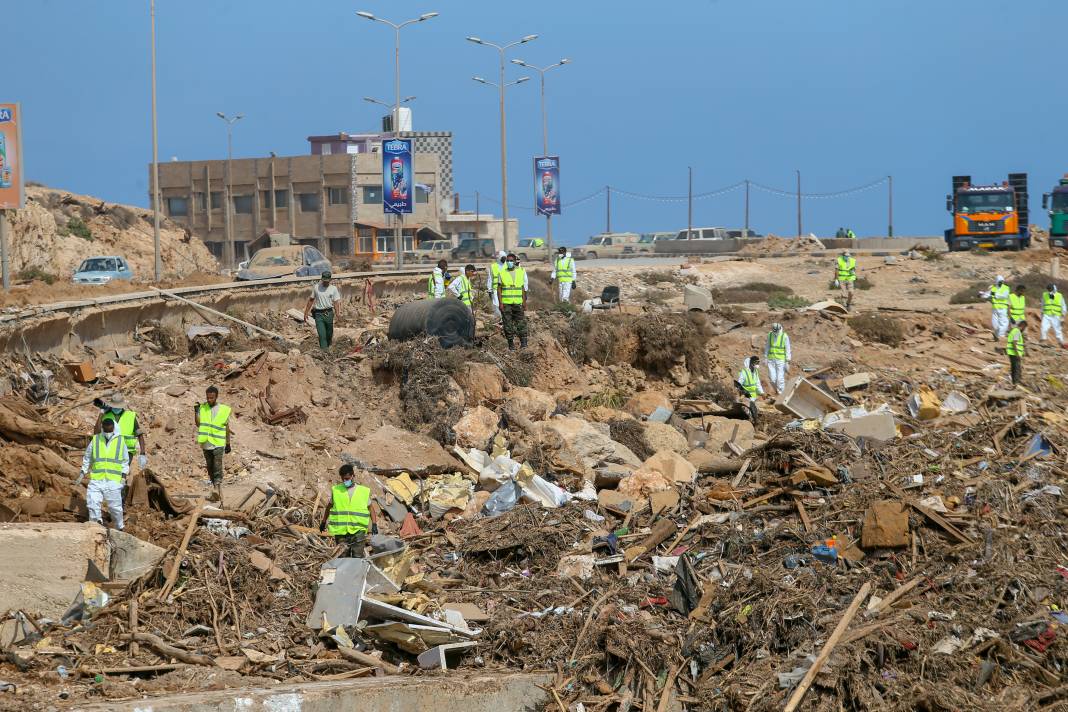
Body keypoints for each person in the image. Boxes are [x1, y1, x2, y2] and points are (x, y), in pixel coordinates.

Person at [76, 416, 130, 530]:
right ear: (102, 428)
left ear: (113, 428)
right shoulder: (96, 440)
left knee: (115, 507)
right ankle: (96, 525)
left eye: (110, 430)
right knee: (92, 502)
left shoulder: (120, 441)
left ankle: (119, 527)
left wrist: (123, 476)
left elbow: (125, 460)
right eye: (105, 430)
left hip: (113, 480)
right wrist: (83, 471)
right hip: (97, 478)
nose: (107, 432)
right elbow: (87, 457)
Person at [319, 464, 379, 558]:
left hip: (358, 530)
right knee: (342, 557)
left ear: (352, 476)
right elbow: (329, 506)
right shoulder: (337, 490)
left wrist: (374, 524)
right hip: (341, 531)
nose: (345, 481)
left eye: (347, 478)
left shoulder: (362, 491)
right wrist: (323, 521)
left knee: (357, 556)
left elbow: (370, 508)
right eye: (343, 479)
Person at [195, 386, 231, 505]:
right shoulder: (202, 408)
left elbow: (227, 428)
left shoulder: (223, 410)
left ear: (216, 397)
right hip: (206, 443)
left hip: (218, 443)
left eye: (212, 397)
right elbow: (198, 424)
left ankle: (216, 489)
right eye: (208, 397)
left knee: (217, 467)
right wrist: (196, 412)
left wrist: (228, 443)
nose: (209, 399)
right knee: (210, 468)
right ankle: (217, 492)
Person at [95, 392, 146, 471]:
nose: (116, 408)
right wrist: (101, 414)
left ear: (122, 406)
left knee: (121, 473)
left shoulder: (130, 416)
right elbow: (96, 433)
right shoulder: (106, 415)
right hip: (110, 451)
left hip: (127, 452)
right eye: (114, 406)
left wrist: (142, 453)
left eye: (118, 407)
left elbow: (140, 435)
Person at [497, 252, 529, 350]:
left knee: (521, 323)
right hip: (506, 304)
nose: (509, 262)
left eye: (511, 261)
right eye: (508, 261)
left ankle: (523, 343)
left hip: (518, 303)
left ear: (515, 261)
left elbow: (522, 288)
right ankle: (511, 344)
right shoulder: (502, 273)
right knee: (507, 324)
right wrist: (500, 303)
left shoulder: (521, 271)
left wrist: (524, 302)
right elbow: (499, 289)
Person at [303, 271, 342, 350]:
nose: (325, 283)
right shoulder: (316, 287)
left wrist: (338, 314)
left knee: (329, 333)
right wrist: (306, 312)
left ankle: (329, 345)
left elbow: (336, 302)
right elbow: (311, 300)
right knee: (322, 335)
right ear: (322, 279)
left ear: (330, 280)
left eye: (327, 281)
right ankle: (324, 352)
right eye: (324, 281)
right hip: (318, 314)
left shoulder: (333, 289)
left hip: (329, 313)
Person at [763, 323, 792, 395]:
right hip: (771, 359)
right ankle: (777, 390)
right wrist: (765, 357)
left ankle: (781, 394)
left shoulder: (784, 336)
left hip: (780, 360)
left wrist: (787, 361)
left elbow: (788, 349)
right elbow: (767, 346)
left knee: (780, 379)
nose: (775, 333)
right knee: (772, 379)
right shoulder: (770, 334)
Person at [735, 356, 765, 422]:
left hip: (753, 395)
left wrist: (762, 393)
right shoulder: (744, 372)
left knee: (754, 409)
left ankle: (753, 421)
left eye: (758, 363)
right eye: (756, 363)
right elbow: (739, 384)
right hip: (746, 395)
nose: (757, 365)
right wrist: (741, 393)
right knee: (750, 409)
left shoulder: (755, 371)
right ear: (752, 363)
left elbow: (757, 383)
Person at [981, 275, 1011, 341]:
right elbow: (987, 295)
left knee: (1004, 322)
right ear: (997, 282)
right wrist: (982, 295)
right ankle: (997, 335)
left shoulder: (1006, 288)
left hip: (1003, 308)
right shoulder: (993, 289)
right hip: (995, 308)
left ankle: (1001, 336)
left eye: (1002, 281)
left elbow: (1003, 296)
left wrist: (993, 294)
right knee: (995, 324)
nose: (1001, 283)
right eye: (1000, 281)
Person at [1041, 283, 1067, 348]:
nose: (1049, 290)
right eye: (1048, 289)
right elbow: (1042, 305)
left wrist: (1063, 316)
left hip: (1056, 315)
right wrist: (1042, 313)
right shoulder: (1045, 295)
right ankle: (1043, 340)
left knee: (1057, 330)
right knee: (1043, 327)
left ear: (1053, 288)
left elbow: (1063, 306)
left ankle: (1061, 343)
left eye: (1050, 289)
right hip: (1047, 314)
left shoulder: (1059, 295)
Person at [487, 251, 507, 319]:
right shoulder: (493, 266)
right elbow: (490, 278)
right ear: (499, 258)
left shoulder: (507, 265)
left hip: (506, 289)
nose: (504, 259)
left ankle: (504, 318)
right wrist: (489, 289)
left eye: (505, 257)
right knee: (496, 304)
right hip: (495, 289)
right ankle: (500, 318)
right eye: (503, 257)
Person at [1006, 320, 1026, 386]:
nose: (1024, 329)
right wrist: (1017, 353)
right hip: (1014, 353)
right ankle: (1016, 383)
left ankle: (1014, 382)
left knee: (1014, 368)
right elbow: (1014, 342)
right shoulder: (1017, 331)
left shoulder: (1013, 330)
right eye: (1024, 328)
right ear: (1022, 326)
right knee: (1017, 368)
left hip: (1011, 352)